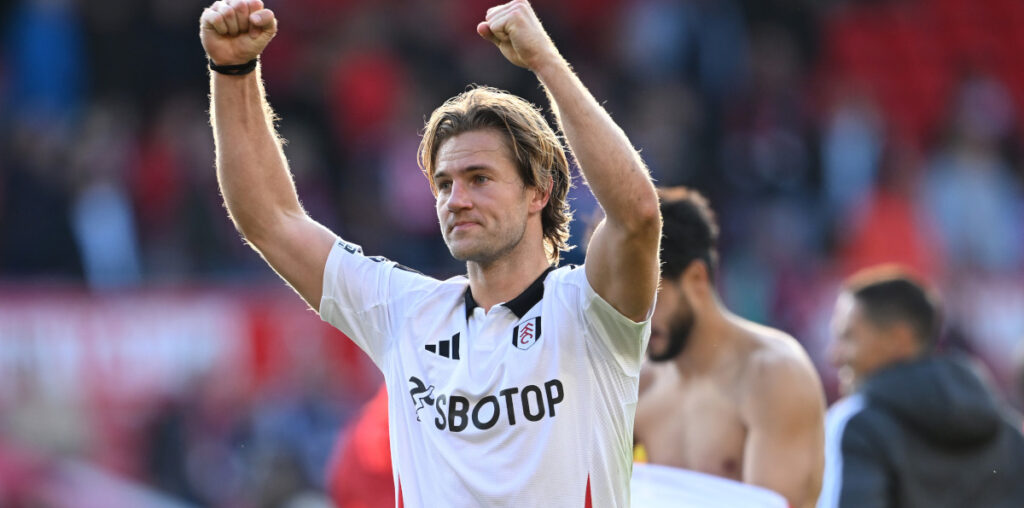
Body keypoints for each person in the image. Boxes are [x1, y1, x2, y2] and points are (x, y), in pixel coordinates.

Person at [199, 0, 661, 506]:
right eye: (444, 184)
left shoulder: (591, 311)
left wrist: (546, 62)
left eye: (479, 179)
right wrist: (234, 70)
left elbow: (636, 215)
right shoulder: (407, 314)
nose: (455, 200)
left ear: (539, 192)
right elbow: (271, 221)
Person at [633, 187, 825, 508]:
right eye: (627, 304)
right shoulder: (639, 382)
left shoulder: (773, 375)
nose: (637, 320)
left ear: (696, 279)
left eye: (651, 301)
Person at [818, 265, 1024, 508]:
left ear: (899, 338)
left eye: (848, 336)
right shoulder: (1007, 431)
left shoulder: (856, 424)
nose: (834, 355)